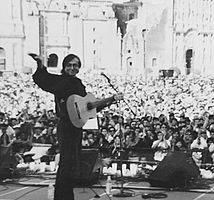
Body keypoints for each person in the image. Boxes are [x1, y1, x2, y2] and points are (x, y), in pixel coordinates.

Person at [30, 53, 120, 200]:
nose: (72, 68)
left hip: (75, 127)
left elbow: (89, 108)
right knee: (66, 163)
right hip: (66, 125)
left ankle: (65, 196)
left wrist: (110, 101)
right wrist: (40, 64)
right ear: (64, 67)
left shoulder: (78, 84)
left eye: (75, 65)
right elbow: (43, 80)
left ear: (79, 68)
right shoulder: (59, 81)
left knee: (71, 163)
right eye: (69, 65)